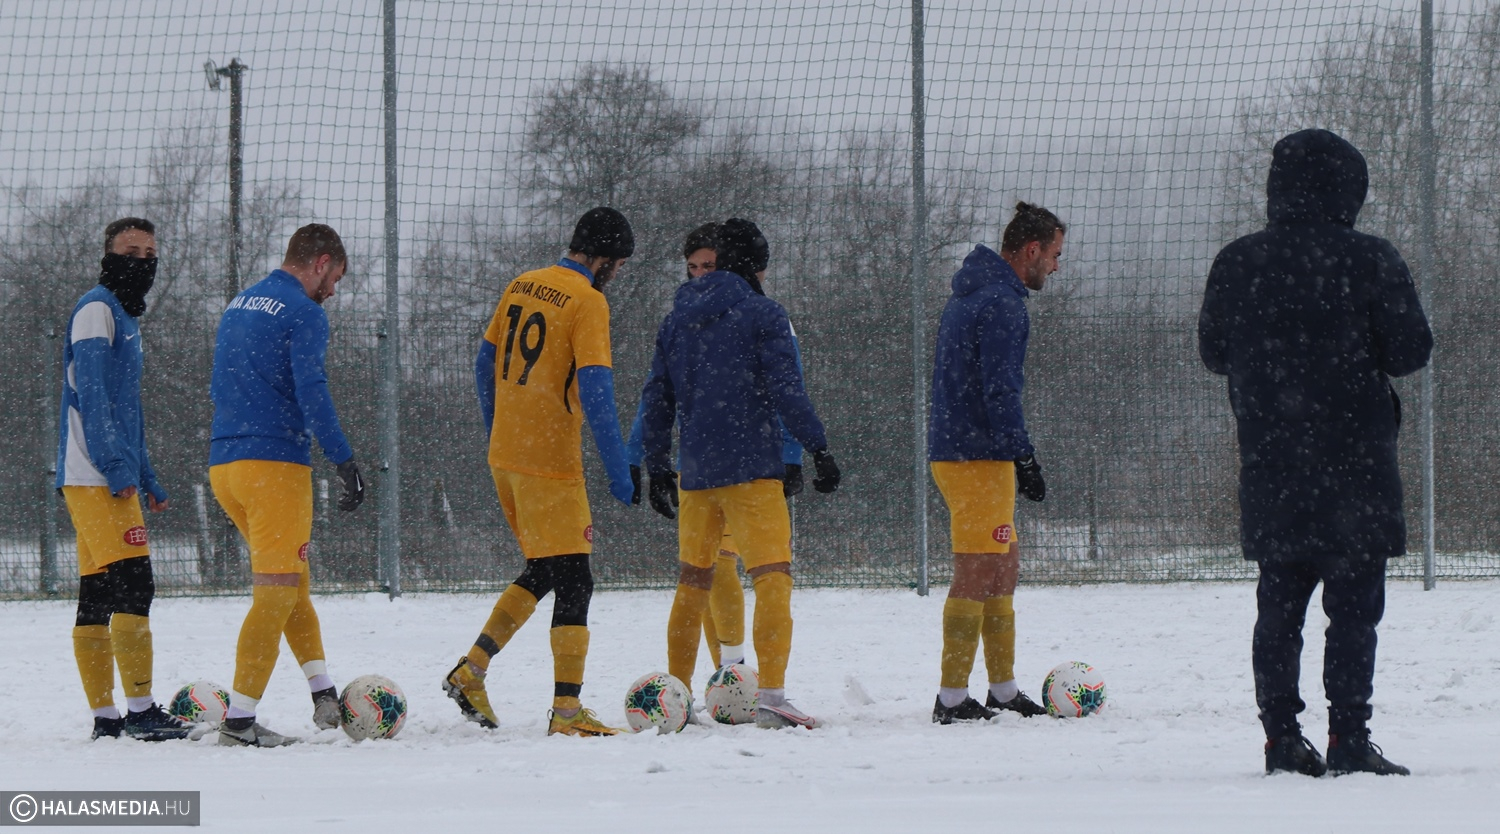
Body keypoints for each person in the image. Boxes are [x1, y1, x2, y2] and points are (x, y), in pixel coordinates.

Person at [1199, 128, 1431, 776]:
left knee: (1278, 609)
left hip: (1274, 465)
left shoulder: (1238, 261)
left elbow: (1213, 353)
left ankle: (1281, 738)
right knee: (1354, 614)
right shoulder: (1371, 259)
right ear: (1348, 189)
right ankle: (1348, 737)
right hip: (1357, 470)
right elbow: (1411, 351)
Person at [639, 217, 840, 730]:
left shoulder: (675, 321)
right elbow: (787, 390)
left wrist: (657, 465)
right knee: (772, 578)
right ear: (755, 266)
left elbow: (657, 398)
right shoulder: (763, 314)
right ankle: (771, 696)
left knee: (693, 583)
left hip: (695, 473)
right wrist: (817, 447)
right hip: (752, 468)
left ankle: (677, 696)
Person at [444, 207, 637, 737]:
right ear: (603, 258)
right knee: (576, 579)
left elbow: (483, 363)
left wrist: (497, 428)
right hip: (550, 462)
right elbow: (596, 389)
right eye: (618, 265)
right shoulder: (588, 301)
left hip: (506, 457)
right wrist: (619, 469)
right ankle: (567, 713)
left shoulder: (523, 283)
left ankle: (472, 669)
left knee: (547, 569)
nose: (616, 275)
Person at [209, 223, 367, 747]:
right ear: (321, 262)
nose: (333, 291)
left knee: (292, 579)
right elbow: (312, 388)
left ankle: (323, 691)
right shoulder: (305, 312)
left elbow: (219, 383)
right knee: (275, 594)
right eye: (336, 278)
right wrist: (342, 458)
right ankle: (239, 722)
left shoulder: (240, 303)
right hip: (274, 468)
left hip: (225, 466)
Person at [926, 201, 1064, 725]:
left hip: (967, 452)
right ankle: (951, 698)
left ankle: (1003, 690)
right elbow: (1000, 388)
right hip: (977, 457)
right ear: (1031, 250)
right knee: (978, 569)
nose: (1056, 266)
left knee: (1003, 566)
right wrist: (1022, 453)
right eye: (1054, 255)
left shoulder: (972, 294)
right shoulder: (1002, 304)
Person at [58, 217, 191, 742]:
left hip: (102, 472)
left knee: (97, 593)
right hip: (94, 473)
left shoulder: (124, 317)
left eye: (149, 254)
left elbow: (125, 407)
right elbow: (92, 397)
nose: (141, 262)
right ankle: (140, 712)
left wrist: (147, 474)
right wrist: (116, 468)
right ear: (108, 256)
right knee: (136, 585)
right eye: (130, 252)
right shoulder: (96, 309)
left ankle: (107, 718)